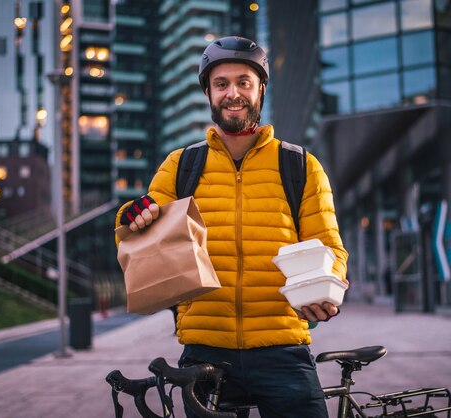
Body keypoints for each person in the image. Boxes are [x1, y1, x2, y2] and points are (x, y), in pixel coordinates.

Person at [115, 36, 348, 418]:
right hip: (205, 350)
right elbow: (142, 228)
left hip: (282, 348)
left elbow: (329, 247)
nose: (233, 93)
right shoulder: (181, 165)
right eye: (221, 84)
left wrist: (329, 289)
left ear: (260, 90)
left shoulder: (300, 166)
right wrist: (130, 215)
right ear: (208, 93)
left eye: (244, 82)